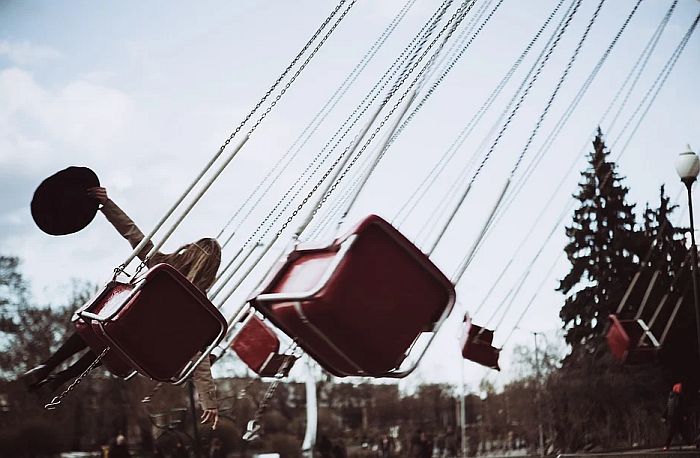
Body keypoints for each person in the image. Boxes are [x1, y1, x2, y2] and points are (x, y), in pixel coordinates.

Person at [21, 187, 220, 427]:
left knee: (99, 329)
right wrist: (208, 399)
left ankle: (48, 366)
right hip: (135, 344)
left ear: (190, 253)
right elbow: (200, 359)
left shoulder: (164, 266)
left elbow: (134, 235)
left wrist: (107, 205)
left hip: (119, 323)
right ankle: (59, 379)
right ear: (212, 271)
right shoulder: (198, 310)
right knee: (111, 347)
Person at [663, 382, 691, 450]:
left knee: (680, 430)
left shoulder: (671, 396)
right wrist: (685, 415)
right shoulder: (679, 397)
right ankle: (666, 445)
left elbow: (668, 407)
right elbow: (681, 407)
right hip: (677, 417)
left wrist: (664, 416)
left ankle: (688, 443)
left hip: (672, 417)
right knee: (675, 431)